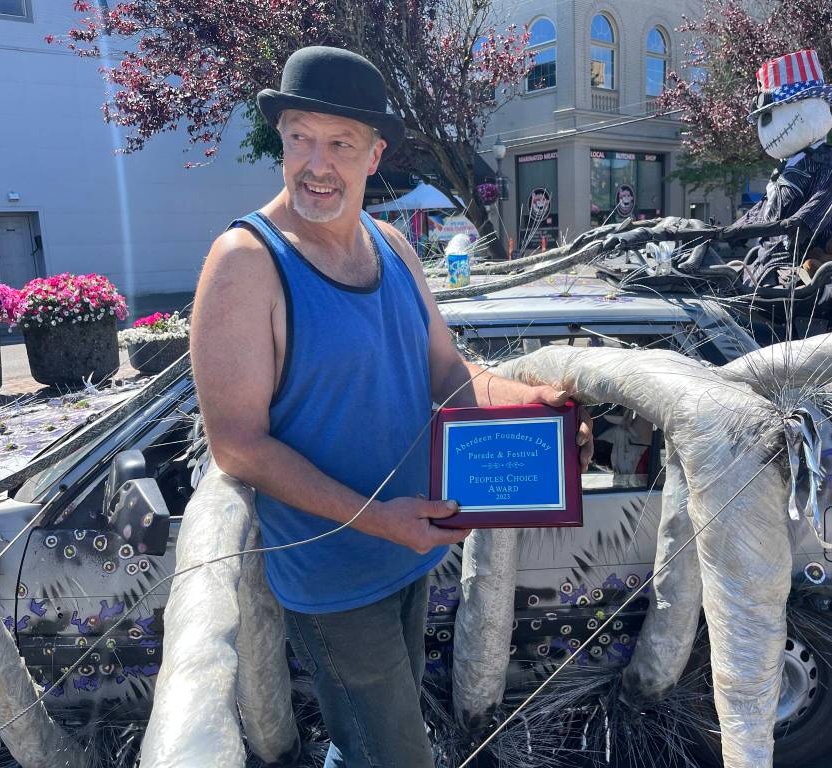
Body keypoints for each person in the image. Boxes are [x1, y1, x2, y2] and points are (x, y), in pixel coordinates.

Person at [190, 46, 592, 768]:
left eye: (340, 143)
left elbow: (445, 370)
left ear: (375, 155)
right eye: (300, 137)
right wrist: (379, 519)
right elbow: (238, 446)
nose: (316, 163)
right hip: (334, 576)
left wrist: (535, 410)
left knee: (369, 746)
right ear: (280, 138)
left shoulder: (394, 245)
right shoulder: (245, 262)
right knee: (398, 754)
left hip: (410, 547)